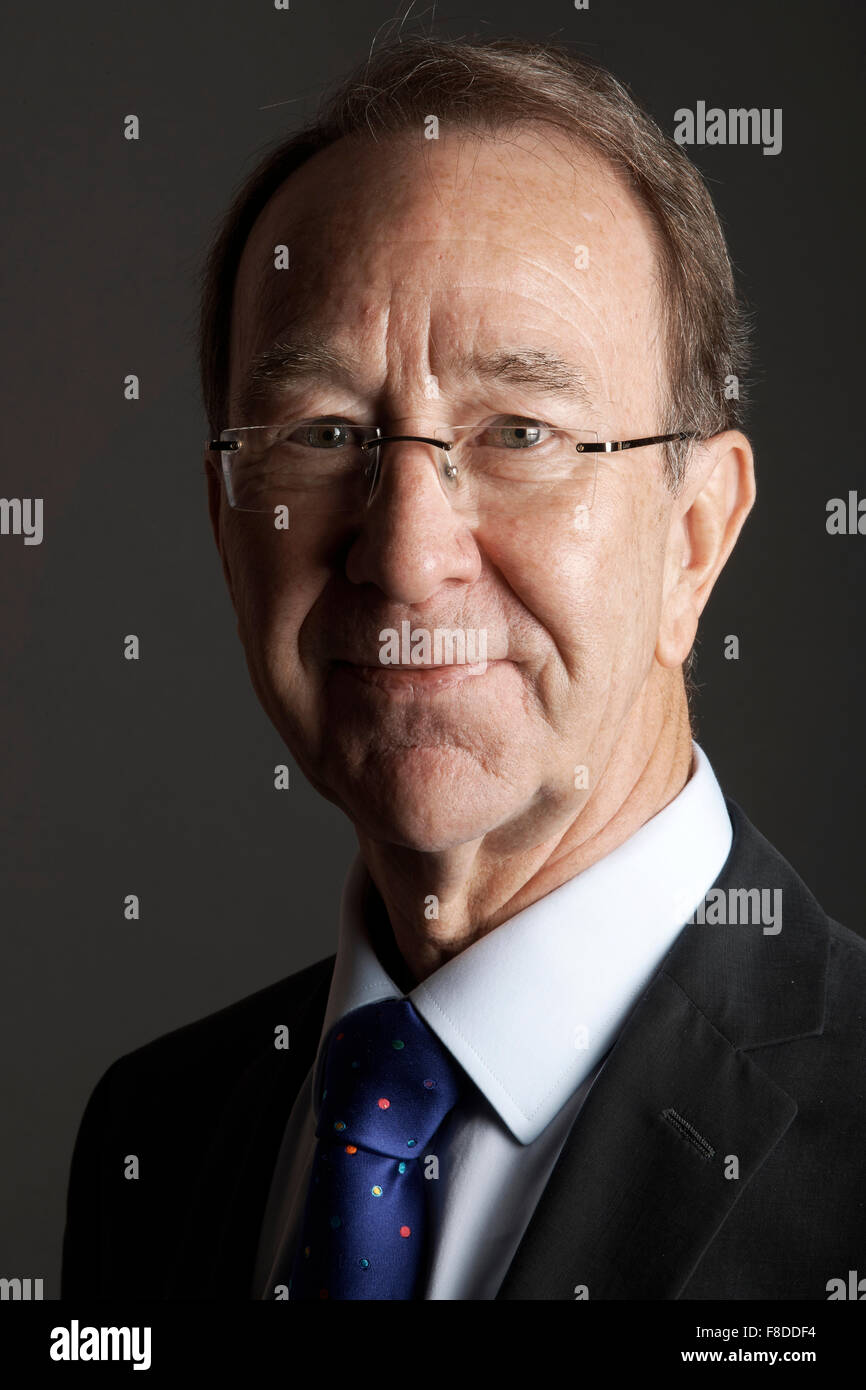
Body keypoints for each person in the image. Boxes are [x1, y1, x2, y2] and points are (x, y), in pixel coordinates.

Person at [62, 35, 866, 1301]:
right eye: (323, 434)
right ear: (228, 533)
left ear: (694, 540)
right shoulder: (152, 1138)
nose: (404, 552)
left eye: (519, 432)